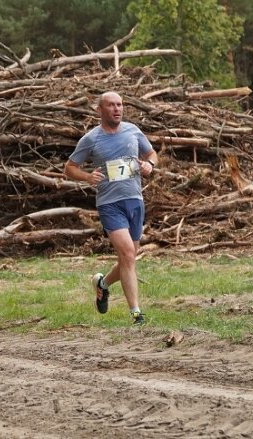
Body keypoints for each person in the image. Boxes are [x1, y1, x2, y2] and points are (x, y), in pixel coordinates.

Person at [64, 92, 158, 325]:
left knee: (129, 258)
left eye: (120, 105)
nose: (117, 109)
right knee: (127, 253)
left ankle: (102, 284)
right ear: (100, 110)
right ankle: (136, 313)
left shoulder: (132, 131)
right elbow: (69, 167)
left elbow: (152, 154)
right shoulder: (91, 139)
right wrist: (87, 176)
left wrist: (149, 164)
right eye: (111, 105)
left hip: (134, 200)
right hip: (109, 204)